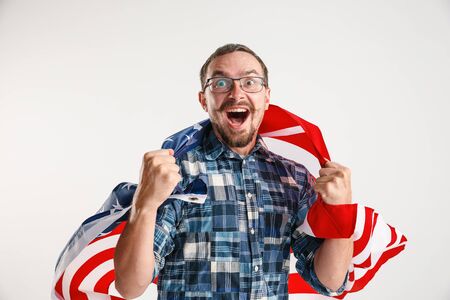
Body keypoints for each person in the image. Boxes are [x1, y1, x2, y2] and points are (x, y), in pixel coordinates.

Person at [114, 44, 354, 299]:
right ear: (203, 100)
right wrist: (145, 204)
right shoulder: (175, 173)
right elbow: (130, 286)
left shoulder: (292, 177)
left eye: (250, 82)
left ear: (267, 96)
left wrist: (342, 209)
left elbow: (329, 281)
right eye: (220, 83)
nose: (236, 92)